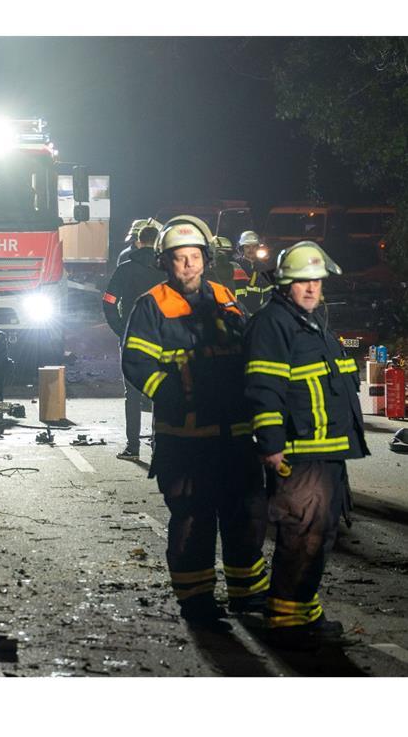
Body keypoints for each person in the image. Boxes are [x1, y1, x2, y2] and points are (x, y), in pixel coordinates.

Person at [121, 215, 269, 625]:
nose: (188, 265)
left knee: (246, 514)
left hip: (234, 435)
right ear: (164, 262)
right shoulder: (151, 305)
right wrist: (173, 395)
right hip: (184, 439)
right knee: (193, 520)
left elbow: (247, 349)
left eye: (194, 257)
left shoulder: (225, 297)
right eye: (179, 258)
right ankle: (197, 601)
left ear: (206, 259)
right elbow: (135, 363)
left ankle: (248, 594)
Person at [243, 240, 369, 649]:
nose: (312, 288)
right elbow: (264, 385)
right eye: (302, 281)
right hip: (300, 451)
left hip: (325, 448)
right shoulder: (274, 323)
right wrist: (272, 444)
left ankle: (300, 612)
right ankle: (287, 621)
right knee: (302, 534)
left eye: (316, 280)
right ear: (285, 284)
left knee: (318, 534)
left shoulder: (309, 321)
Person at [102, 221, 164, 459]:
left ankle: (133, 448)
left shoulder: (125, 269)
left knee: (133, 395)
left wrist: (120, 329)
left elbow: (109, 301)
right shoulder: (169, 270)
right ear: (158, 243)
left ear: (138, 242)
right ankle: (158, 445)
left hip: (132, 339)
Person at [233, 230, 275, 315]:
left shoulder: (264, 267)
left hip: (258, 312)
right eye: (247, 247)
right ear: (242, 248)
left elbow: (269, 292)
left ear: (258, 248)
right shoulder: (235, 265)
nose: (251, 250)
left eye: (254, 247)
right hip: (239, 312)